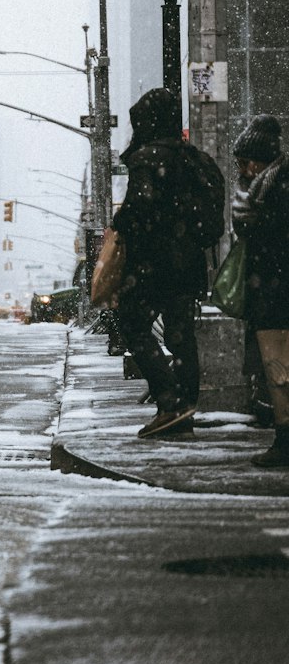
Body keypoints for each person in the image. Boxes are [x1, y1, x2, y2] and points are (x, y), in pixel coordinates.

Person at [112, 87, 224, 439]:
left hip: (152, 267)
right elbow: (212, 225)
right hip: (188, 268)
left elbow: (137, 214)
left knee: (131, 322)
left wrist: (121, 226)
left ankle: (169, 401)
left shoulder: (148, 160)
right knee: (180, 336)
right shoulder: (199, 161)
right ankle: (184, 407)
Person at [230, 114, 289, 468]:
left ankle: (285, 442)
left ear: (256, 162)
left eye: (243, 164)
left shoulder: (276, 190)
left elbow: (273, 239)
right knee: (277, 372)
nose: (241, 171)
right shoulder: (266, 188)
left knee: (279, 372)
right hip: (270, 293)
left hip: (276, 292)